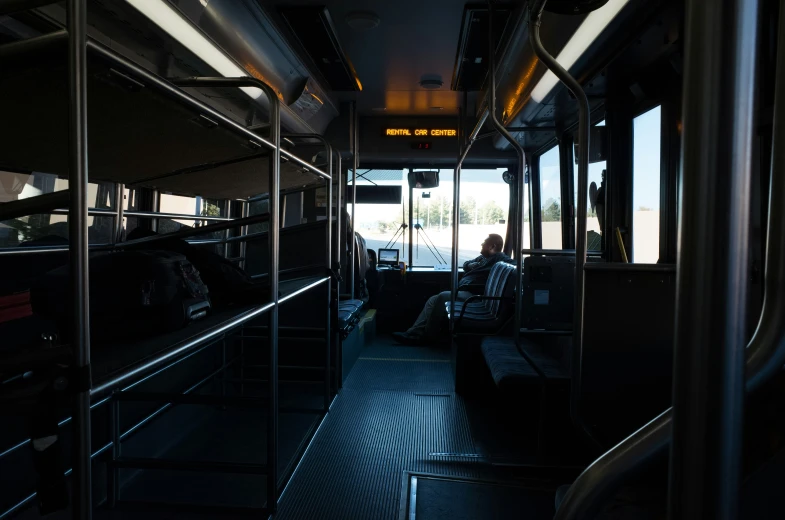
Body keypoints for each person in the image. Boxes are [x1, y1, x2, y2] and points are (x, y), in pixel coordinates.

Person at [392, 233, 511, 345]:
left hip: (476, 295)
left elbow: (512, 263)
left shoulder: (499, 259)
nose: (481, 244)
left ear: (492, 246)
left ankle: (427, 336)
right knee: (433, 299)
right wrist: (470, 265)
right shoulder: (483, 258)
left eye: (484, 242)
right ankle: (414, 332)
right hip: (466, 291)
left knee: (443, 296)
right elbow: (466, 264)